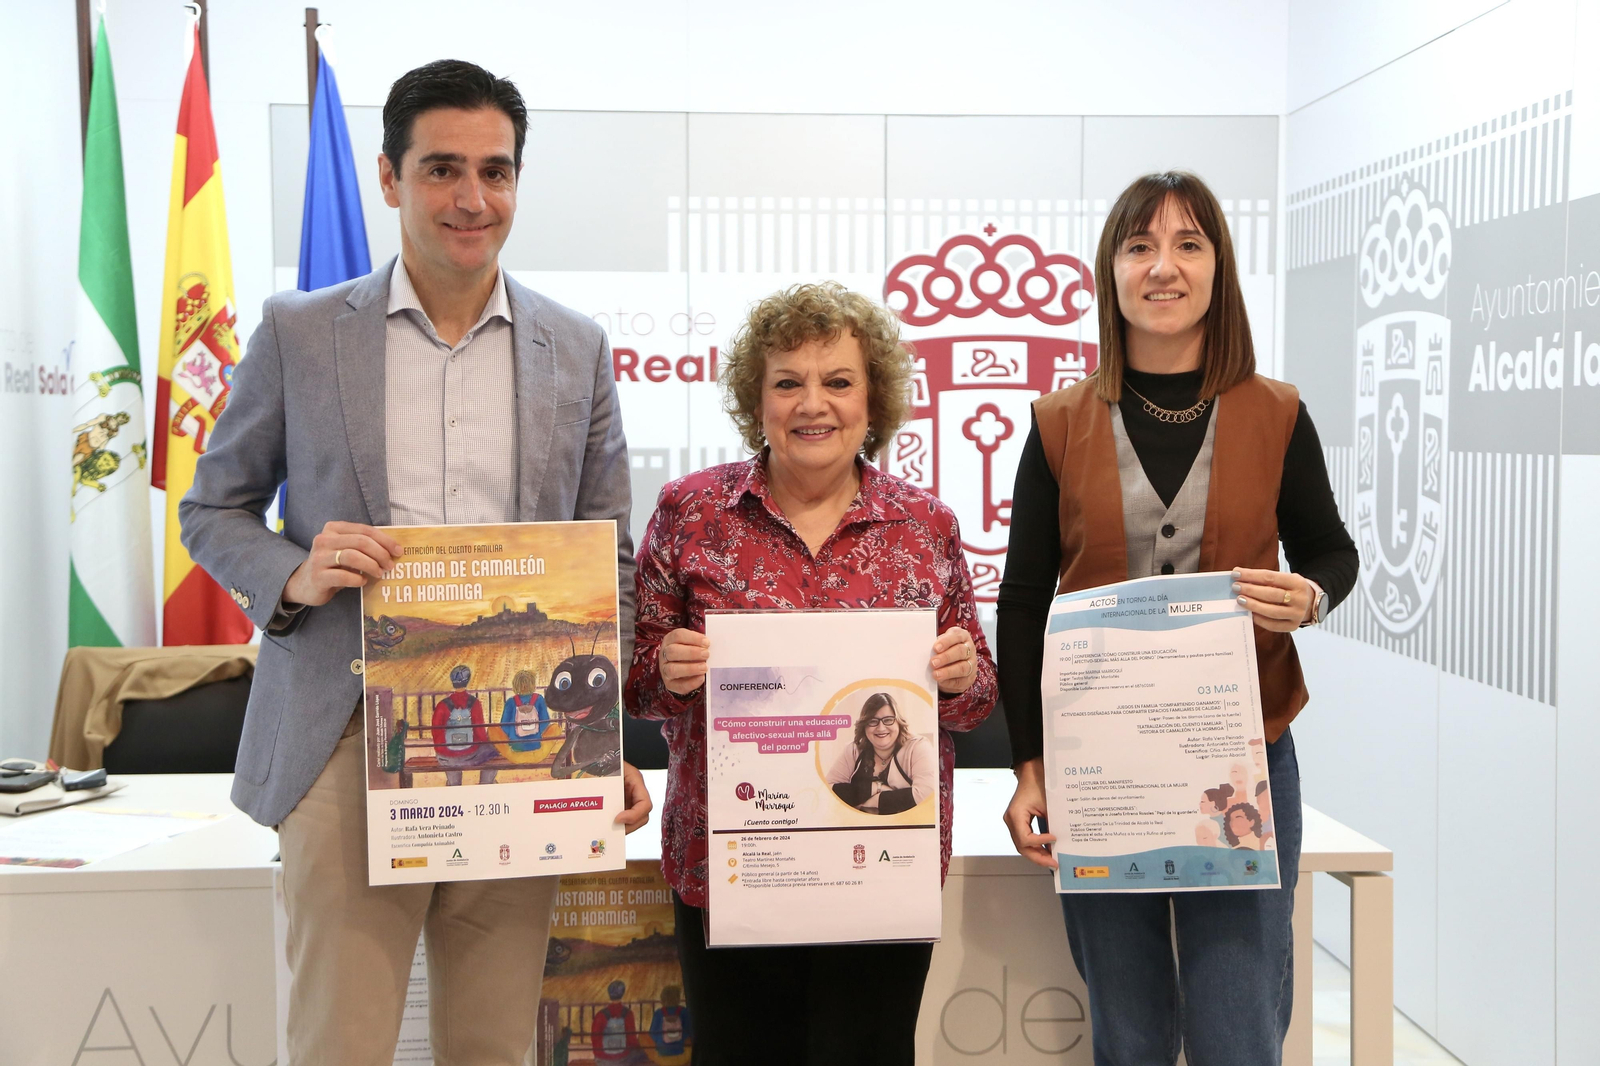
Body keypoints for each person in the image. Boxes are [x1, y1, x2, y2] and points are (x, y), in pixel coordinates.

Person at [178, 60, 652, 1064]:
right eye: (442, 169)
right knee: (339, 1043)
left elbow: (605, 557)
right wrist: (295, 573)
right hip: (347, 733)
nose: (471, 198)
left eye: (495, 171)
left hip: (525, 743)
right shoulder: (301, 332)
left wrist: (599, 731)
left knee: (493, 1044)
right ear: (390, 178)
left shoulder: (576, 347)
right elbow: (211, 509)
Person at [996, 171, 1359, 1066]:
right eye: (1140, 246)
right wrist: (1029, 765)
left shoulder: (1278, 413)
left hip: (1244, 757)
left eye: (1188, 244)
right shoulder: (1058, 423)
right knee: (1127, 1027)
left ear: (1218, 268)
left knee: (1240, 1021)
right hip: (1099, 763)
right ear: (1111, 272)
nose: (1164, 267)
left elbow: (1331, 552)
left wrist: (1311, 596)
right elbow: (1024, 601)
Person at [626, 282, 997, 1066]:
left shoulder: (926, 525)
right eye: (787, 382)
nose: (812, 404)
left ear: (872, 399)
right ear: (756, 400)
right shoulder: (691, 512)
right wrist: (669, 669)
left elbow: (976, 703)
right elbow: (636, 685)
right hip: (733, 862)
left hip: (879, 863)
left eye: (838, 381)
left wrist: (960, 676)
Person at [824, 692, 937, 815]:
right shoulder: (853, 749)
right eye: (873, 721)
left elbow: (926, 795)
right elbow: (827, 791)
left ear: (898, 722)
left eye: (888, 720)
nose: (881, 728)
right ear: (864, 726)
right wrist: (876, 787)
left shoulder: (917, 746)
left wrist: (872, 801)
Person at [432, 663, 494, 785]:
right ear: (467, 680)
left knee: (452, 763)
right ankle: (486, 784)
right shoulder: (474, 703)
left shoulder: (442, 705)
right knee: (493, 752)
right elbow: (480, 734)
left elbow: (436, 733)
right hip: (470, 755)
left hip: (446, 758)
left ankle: (453, 785)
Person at [648, 984, 692, 1059]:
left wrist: (660, 1041)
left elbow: (652, 1033)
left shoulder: (658, 1013)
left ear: (663, 999)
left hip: (662, 1051)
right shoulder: (684, 1011)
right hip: (679, 1050)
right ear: (677, 998)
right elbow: (689, 1031)